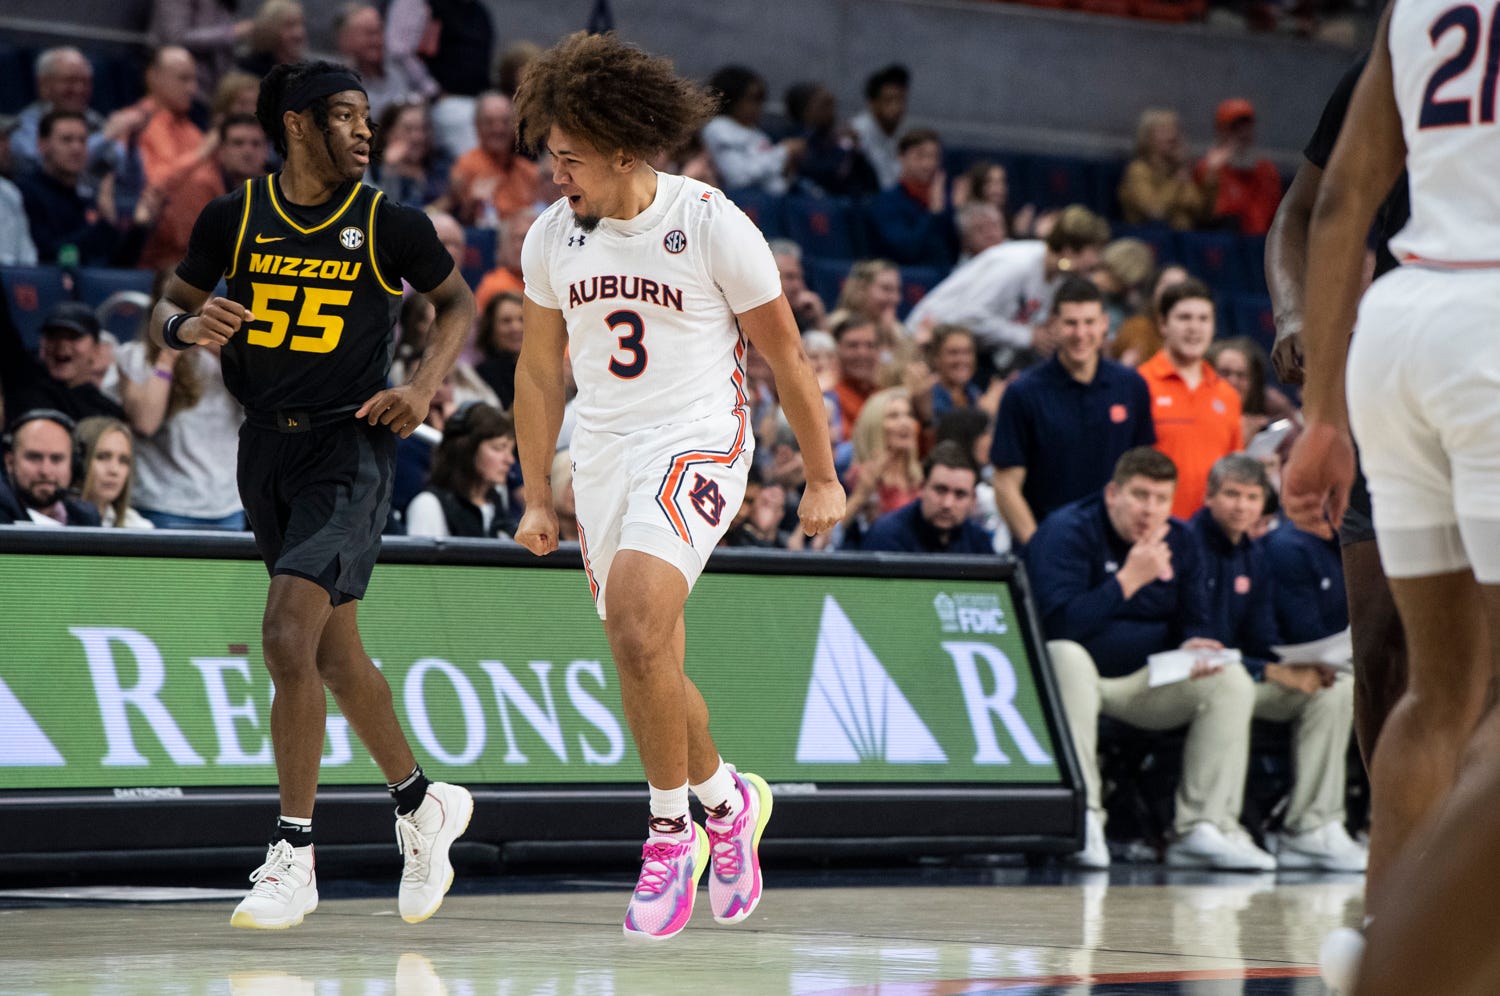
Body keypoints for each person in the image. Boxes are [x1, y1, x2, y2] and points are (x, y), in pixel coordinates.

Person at [510, 31, 844, 940]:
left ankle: (670, 837)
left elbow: (784, 354)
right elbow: (540, 375)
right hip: (608, 449)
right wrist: (537, 493)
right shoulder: (552, 237)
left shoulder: (710, 223)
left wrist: (821, 476)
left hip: (701, 439)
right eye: (551, 157)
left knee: (634, 623)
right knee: (646, 653)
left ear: (625, 149)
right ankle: (728, 801)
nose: (556, 175)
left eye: (570, 159)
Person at [150, 59, 477, 929]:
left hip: (351, 447)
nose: (364, 131)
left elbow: (458, 304)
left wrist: (422, 385)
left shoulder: (388, 223)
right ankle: (421, 804)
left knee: (286, 634)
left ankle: (293, 853)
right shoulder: (235, 217)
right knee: (334, 657)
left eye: (367, 115)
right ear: (296, 124)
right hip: (265, 451)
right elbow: (165, 311)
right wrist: (189, 325)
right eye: (345, 115)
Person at [1281, 4, 1500, 988]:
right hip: (1491, 323)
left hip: (1402, 326)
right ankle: (1421, 955)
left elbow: (1340, 205)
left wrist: (1323, 414)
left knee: (1438, 687)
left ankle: (1377, 936)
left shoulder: (1418, 6)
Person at [1264, 46, 1408, 782]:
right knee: (1382, 653)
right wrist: (1299, 318)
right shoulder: (1396, 56)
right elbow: (1304, 215)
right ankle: (1393, 870)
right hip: (1402, 377)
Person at [1028, 447, 1271, 872]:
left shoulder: (1181, 539)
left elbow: (1197, 622)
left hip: (1146, 683)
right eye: (1140, 496)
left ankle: (1200, 827)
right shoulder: (1067, 530)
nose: (1150, 510)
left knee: (1229, 680)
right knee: (1066, 656)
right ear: (1112, 494)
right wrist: (1128, 580)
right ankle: (1084, 818)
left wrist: (1198, 647)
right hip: (1073, 684)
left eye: (1161, 499)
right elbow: (1055, 626)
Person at [1188, 454, 1364, 871]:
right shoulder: (1185, 545)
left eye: (1251, 497)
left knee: (1332, 689)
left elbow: (1264, 637)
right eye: (1231, 494)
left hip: (1244, 674)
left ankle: (1312, 827)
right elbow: (1190, 637)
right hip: (1194, 676)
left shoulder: (1252, 553)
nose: (1241, 506)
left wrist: (1298, 666)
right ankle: (1210, 822)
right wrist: (1267, 669)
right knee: (1231, 684)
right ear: (1209, 496)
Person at [990, 277, 1155, 547]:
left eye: (1089, 322)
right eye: (1070, 323)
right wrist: (1039, 549)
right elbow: (1006, 486)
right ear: (1054, 324)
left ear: (1104, 324)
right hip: (1048, 543)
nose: (1080, 334)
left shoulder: (1132, 386)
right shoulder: (1023, 393)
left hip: (1115, 547)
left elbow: (1143, 472)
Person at [904, 205, 1110, 369]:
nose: (1097, 261)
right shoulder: (1015, 264)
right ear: (1069, 250)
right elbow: (971, 315)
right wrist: (1028, 336)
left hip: (974, 353)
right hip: (925, 345)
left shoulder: (1058, 278)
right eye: (1094, 251)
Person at [1137, 279, 1243, 519]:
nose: (1195, 328)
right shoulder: (1138, 385)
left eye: (1203, 319)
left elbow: (1232, 468)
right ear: (1163, 324)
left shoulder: (1227, 395)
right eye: (1184, 318)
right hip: (1154, 529)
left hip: (1212, 536)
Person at [18, 110, 159, 268]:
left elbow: (115, 267)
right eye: (66, 140)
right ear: (42, 145)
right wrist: (102, 224)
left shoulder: (88, 197)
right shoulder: (26, 193)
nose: (76, 148)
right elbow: (47, 255)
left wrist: (139, 228)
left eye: (82, 140)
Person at [0, 301, 128, 428]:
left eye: (73, 336)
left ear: (96, 349)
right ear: (42, 342)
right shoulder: (24, 380)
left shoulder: (108, 412)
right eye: (53, 335)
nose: (62, 343)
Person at [857, 440, 992, 554]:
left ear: (973, 498)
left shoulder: (979, 541)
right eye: (940, 490)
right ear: (921, 487)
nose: (947, 503)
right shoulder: (886, 535)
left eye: (960, 494)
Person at [405, 402, 516, 538]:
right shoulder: (428, 505)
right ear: (466, 450)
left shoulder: (497, 507)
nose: (510, 460)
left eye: (511, 450)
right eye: (498, 448)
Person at [702, 65, 804, 196]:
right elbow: (738, 177)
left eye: (762, 99)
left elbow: (773, 181)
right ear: (733, 99)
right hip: (742, 202)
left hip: (772, 203)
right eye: (753, 98)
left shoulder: (757, 133)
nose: (759, 106)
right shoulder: (718, 128)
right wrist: (784, 152)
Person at [865, 128, 955, 269]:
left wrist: (960, 211)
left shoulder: (943, 201)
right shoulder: (885, 202)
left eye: (934, 157)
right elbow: (907, 251)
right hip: (905, 280)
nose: (929, 164)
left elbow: (953, 252)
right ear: (901, 158)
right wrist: (933, 214)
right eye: (920, 156)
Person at [1194, 98, 1283, 236]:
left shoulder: (1267, 170)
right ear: (1221, 132)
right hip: (1227, 246)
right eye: (1235, 128)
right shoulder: (1208, 169)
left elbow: (1277, 218)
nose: (1243, 134)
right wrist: (1211, 174)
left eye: (1247, 127)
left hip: (1260, 245)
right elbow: (1203, 216)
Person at [447, 93, 539, 226]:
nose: (498, 129)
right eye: (489, 122)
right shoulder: (464, 167)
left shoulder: (529, 171)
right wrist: (473, 204)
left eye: (505, 121)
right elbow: (461, 223)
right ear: (477, 126)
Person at [0, 409, 101, 527]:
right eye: (34, 457)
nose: (45, 471)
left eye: (56, 459)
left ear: (73, 464)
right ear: (10, 462)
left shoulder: (85, 518)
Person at [1118, 108, 1210, 231]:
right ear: (1147, 138)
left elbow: (1200, 212)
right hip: (1149, 239)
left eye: (1175, 130)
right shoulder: (1138, 171)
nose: (1173, 136)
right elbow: (1155, 211)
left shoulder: (1178, 171)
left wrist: (1208, 177)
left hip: (1182, 239)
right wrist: (1178, 182)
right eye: (1164, 130)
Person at [74, 415, 155, 529]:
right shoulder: (53, 521)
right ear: (78, 461)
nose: (114, 470)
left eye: (123, 461)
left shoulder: (139, 527)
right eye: (102, 457)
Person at [848, 64, 909, 191]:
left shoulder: (903, 131)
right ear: (872, 103)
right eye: (889, 100)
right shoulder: (857, 131)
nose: (897, 107)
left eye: (901, 100)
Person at [769, 239, 828, 333]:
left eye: (800, 278)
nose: (798, 285)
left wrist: (818, 319)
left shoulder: (804, 313)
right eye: (790, 277)